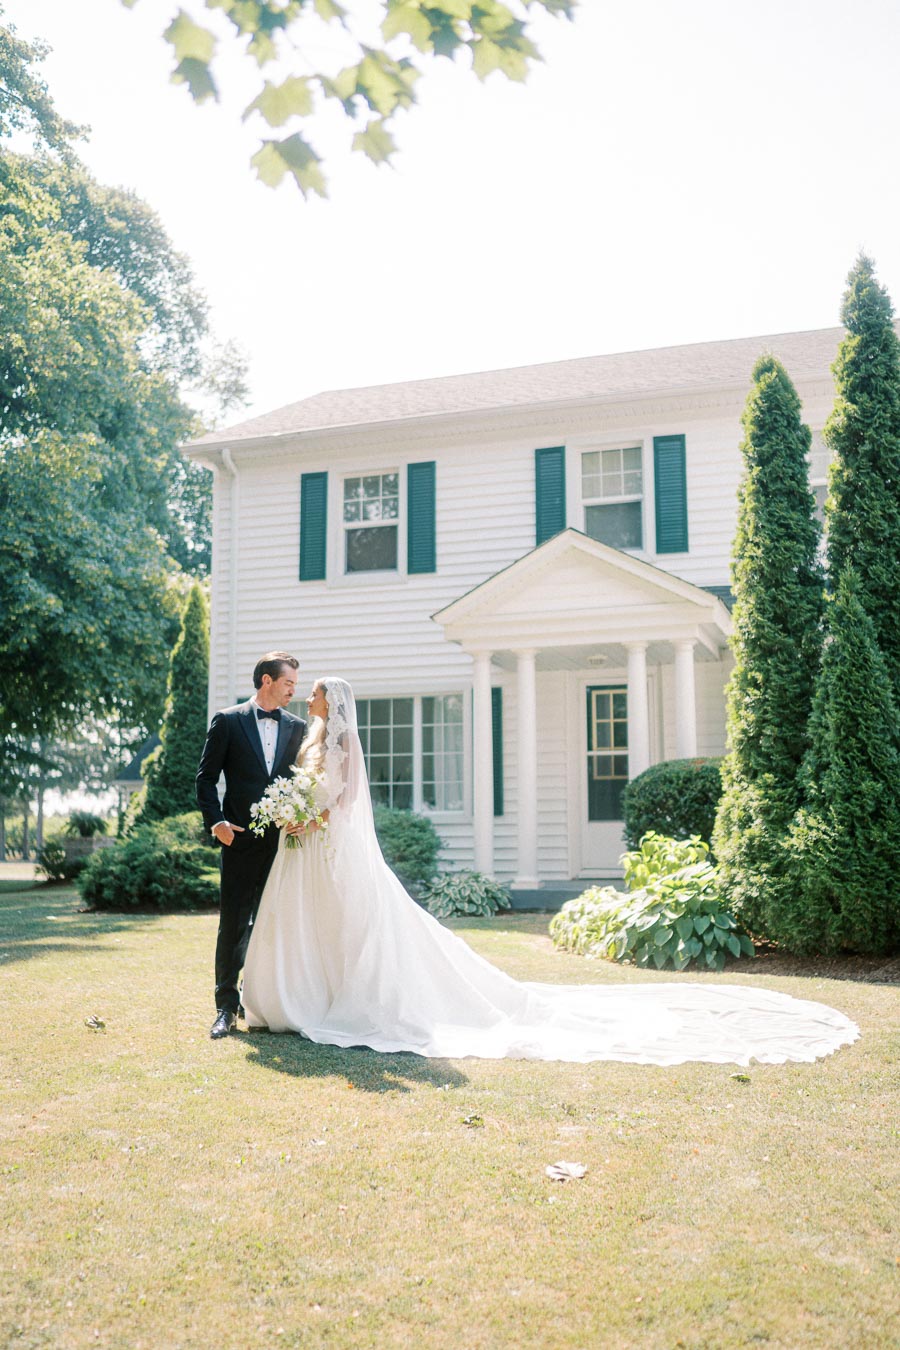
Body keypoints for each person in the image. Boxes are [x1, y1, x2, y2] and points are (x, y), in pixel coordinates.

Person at [241, 677, 859, 1065]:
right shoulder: (311, 739)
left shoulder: (340, 745)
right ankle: (300, 997)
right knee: (316, 925)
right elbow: (316, 792)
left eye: (316, 690)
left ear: (332, 701)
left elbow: (341, 799)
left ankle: (336, 999)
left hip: (328, 846)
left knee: (357, 924)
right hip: (307, 849)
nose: (310, 695)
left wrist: (307, 816)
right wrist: (297, 815)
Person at [196, 652, 306, 1039]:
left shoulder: (298, 727)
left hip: (283, 846)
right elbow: (205, 779)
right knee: (233, 924)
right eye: (289, 683)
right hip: (238, 841)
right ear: (266, 681)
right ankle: (225, 1007)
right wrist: (217, 823)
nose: (294, 690)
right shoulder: (227, 721)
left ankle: (260, 1002)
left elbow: (304, 783)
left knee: (270, 925)